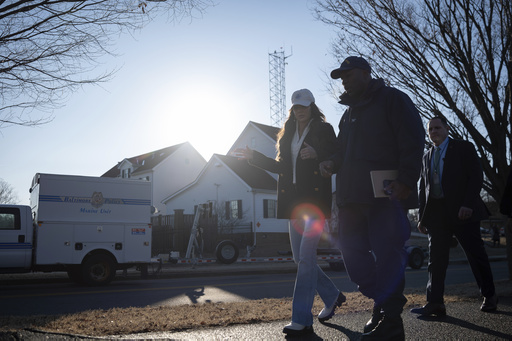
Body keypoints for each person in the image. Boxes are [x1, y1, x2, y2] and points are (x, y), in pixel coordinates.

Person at [320, 56, 425, 340]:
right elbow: (341, 151)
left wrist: (405, 180)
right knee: (353, 257)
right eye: (341, 77)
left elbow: (413, 139)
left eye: (348, 74)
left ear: (366, 73)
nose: (344, 80)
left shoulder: (393, 99)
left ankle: (391, 322)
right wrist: (331, 162)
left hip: (385, 197)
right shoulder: (348, 113)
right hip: (351, 198)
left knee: (388, 256)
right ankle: (382, 303)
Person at [234, 89, 345, 336]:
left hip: (315, 202)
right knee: (300, 259)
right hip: (293, 203)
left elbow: (338, 155)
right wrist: (255, 158)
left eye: (304, 106)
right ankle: (332, 295)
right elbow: (281, 166)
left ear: (312, 106)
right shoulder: (286, 135)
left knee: (306, 258)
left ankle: (302, 319)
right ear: (292, 108)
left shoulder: (324, 130)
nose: (300, 110)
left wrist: (318, 154)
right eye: (296, 106)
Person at [412, 116, 497, 317]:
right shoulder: (426, 156)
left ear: (447, 128)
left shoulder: (463, 148)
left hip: (462, 212)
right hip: (437, 215)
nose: (434, 131)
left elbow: (476, 176)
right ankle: (435, 303)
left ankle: (490, 295)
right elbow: (423, 189)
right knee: (436, 259)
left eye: (437, 127)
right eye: (430, 129)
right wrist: (422, 218)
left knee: (475, 255)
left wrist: (467, 204)